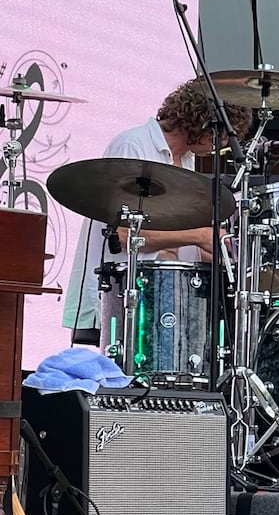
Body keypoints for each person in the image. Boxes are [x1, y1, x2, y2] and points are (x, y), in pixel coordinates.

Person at [62, 79, 254, 341]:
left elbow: (171, 237)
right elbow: (124, 235)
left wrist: (223, 258)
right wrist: (199, 235)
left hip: (160, 296)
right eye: (219, 135)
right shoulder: (133, 145)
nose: (218, 145)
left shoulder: (186, 160)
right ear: (200, 122)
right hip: (119, 296)